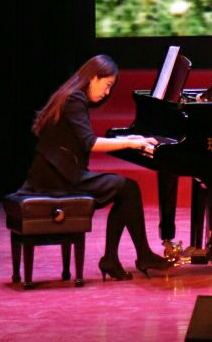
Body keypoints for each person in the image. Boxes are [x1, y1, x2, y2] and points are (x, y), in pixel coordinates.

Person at [21, 55, 169, 280]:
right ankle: (138, 256)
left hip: (58, 174)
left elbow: (83, 139)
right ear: (93, 78)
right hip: (58, 179)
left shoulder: (71, 95)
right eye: (107, 85)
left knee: (126, 189)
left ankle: (115, 258)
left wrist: (131, 138)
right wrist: (129, 143)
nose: (107, 93)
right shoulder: (74, 99)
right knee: (127, 188)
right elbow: (90, 143)